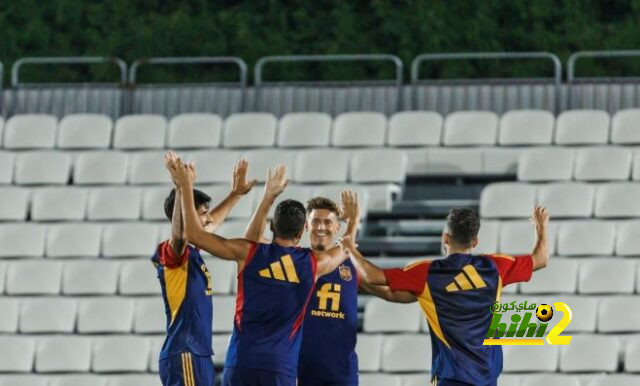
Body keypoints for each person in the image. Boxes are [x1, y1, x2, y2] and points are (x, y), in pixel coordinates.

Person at [166, 157, 359, 386]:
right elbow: (347, 246)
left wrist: (185, 185)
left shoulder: (248, 251)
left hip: (240, 363)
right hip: (280, 368)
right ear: (303, 231)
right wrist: (353, 220)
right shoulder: (315, 263)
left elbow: (195, 235)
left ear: (272, 226)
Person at [343, 207, 550, 386]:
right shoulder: (495, 267)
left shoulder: (427, 273)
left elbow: (373, 276)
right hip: (487, 378)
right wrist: (541, 227)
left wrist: (350, 248)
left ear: (445, 238)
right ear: (475, 241)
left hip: (451, 377)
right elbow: (541, 259)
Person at [153, 151, 256, 386]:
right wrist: (183, 188)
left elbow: (211, 223)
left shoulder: (192, 250)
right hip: (185, 351)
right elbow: (180, 233)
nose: (209, 219)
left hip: (197, 352)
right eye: (202, 214)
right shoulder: (173, 254)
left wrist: (236, 194)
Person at [243, 193, 361, 386]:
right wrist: (268, 196)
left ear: (337, 227)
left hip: (341, 374)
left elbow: (384, 286)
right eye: (315, 221)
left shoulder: (353, 264)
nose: (321, 227)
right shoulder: (293, 259)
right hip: (297, 371)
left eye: (328, 222)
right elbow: (252, 239)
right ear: (306, 226)